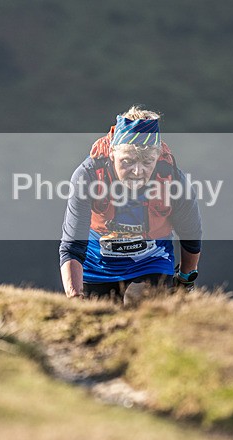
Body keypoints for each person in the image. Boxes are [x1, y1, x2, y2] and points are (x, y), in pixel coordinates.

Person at [59, 106, 202, 304]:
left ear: (158, 157)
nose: (137, 171)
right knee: (102, 318)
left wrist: (186, 279)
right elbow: (71, 246)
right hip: (98, 264)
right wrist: (75, 297)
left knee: (139, 301)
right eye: (128, 161)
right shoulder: (89, 176)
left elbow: (191, 236)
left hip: (153, 260)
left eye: (147, 162)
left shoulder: (172, 180)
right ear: (112, 154)